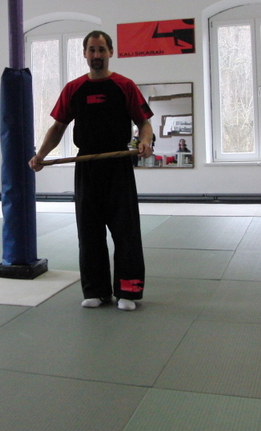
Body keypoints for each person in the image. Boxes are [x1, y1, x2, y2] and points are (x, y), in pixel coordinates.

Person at [29, 30, 154, 311]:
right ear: (85, 53)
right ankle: (96, 290)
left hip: (118, 166)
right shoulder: (73, 89)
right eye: (92, 50)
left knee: (126, 231)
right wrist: (41, 155)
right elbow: (58, 127)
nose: (97, 55)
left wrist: (145, 141)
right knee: (89, 232)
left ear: (111, 52)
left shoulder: (125, 85)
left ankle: (128, 291)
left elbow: (144, 123)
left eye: (101, 49)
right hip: (87, 165)